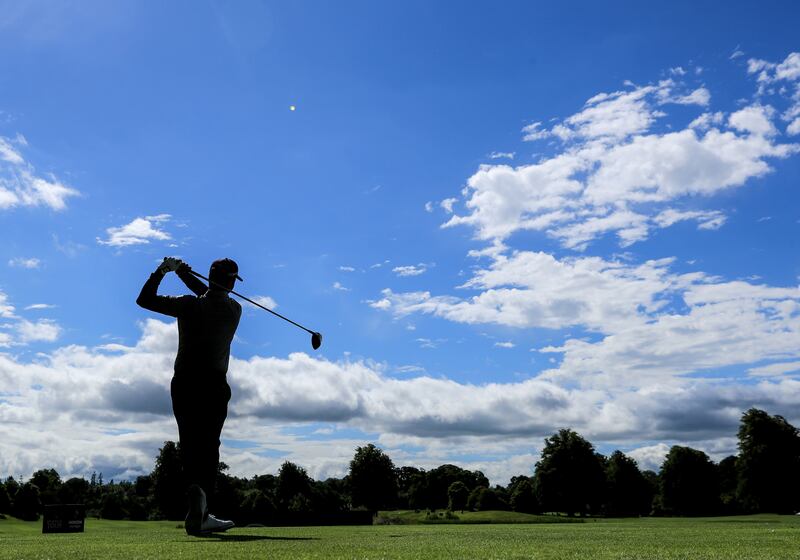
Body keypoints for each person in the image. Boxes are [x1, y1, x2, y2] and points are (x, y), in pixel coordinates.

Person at [136, 257, 243, 535]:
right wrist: (183, 273)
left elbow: (145, 299)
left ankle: (198, 506)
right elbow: (209, 295)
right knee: (209, 448)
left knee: (191, 446)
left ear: (210, 278)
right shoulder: (235, 309)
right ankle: (202, 510)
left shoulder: (188, 305)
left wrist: (163, 271)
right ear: (232, 282)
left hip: (183, 384)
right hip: (214, 386)